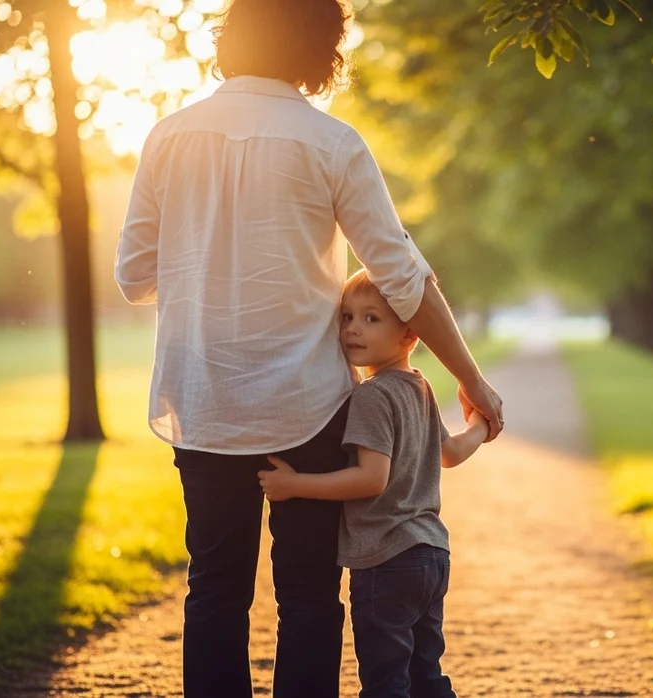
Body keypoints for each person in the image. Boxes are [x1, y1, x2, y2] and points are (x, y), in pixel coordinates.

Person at [113, 0, 503, 695]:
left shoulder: (168, 138)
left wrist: (206, 259)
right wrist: (471, 379)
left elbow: (134, 278)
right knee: (309, 598)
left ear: (230, 36)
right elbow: (402, 277)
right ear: (324, 49)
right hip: (308, 409)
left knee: (214, 593)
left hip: (204, 403)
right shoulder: (332, 143)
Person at [259, 269, 485, 697]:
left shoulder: (371, 395)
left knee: (385, 683)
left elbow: (370, 479)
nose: (353, 329)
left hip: (386, 561)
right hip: (431, 556)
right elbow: (451, 452)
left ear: (408, 336)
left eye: (371, 319)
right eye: (346, 317)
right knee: (426, 676)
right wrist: (481, 426)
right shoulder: (419, 387)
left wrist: (294, 484)